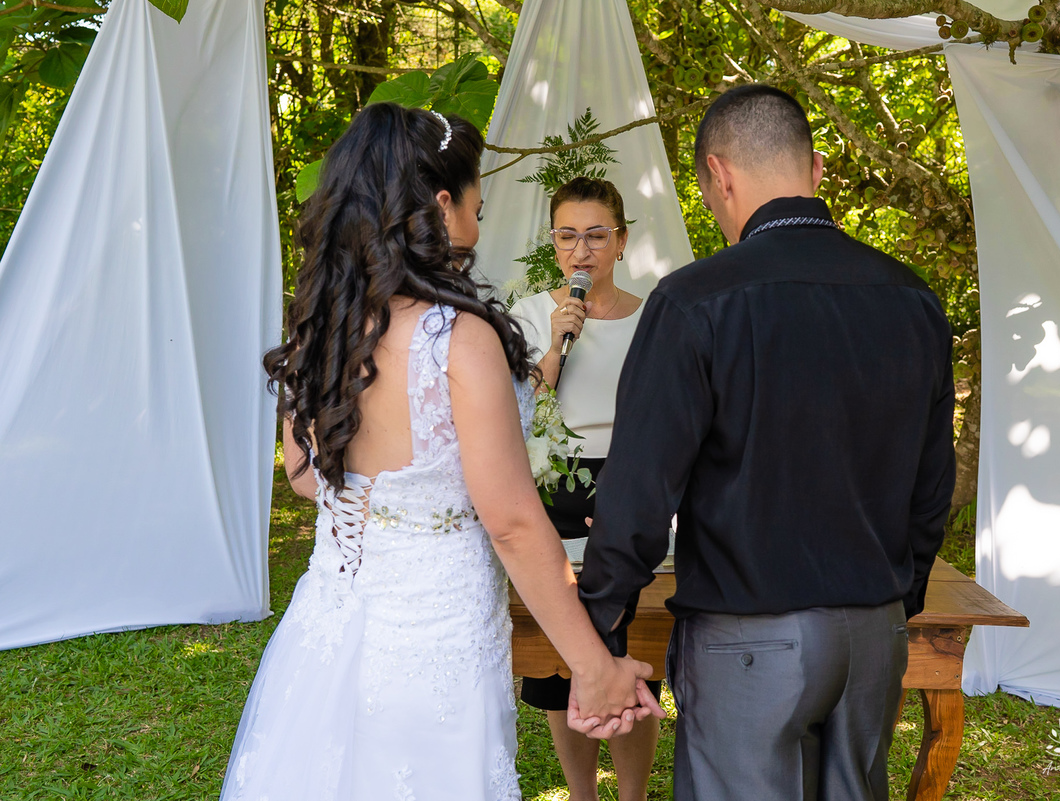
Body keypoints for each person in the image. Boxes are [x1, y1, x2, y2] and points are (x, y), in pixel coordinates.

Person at [220, 103, 662, 801]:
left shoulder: (321, 324)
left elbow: (307, 481)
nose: (478, 228)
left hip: (327, 627)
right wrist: (593, 664)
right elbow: (513, 521)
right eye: (479, 210)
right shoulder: (458, 338)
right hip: (434, 638)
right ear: (443, 204)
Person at [573, 85, 956, 801]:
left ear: (719, 176)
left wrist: (600, 621)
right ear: (813, 169)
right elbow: (932, 487)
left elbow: (639, 485)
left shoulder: (694, 301)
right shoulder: (913, 299)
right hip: (872, 633)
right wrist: (891, 604)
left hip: (749, 638)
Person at [509, 177, 660, 801]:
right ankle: (581, 792)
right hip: (550, 495)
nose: (582, 250)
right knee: (557, 657)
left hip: (627, 495)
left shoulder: (652, 319)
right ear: (553, 244)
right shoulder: (524, 317)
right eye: (568, 236)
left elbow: (667, 420)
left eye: (596, 235)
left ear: (621, 242)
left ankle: (632, 795)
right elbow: (512, 414)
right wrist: (551, 346)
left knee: (624, 647)